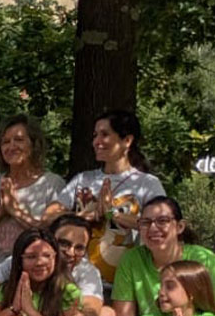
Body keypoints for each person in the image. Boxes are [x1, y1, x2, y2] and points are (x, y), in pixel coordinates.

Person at [48, 108, 164, 283]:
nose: (96, 142)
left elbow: (161, 227)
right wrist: (81, 217)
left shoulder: (147, 184)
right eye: (95, 135)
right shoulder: (82, 179)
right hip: (75, 281)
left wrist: (112, 214)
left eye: (105, 135)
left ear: (127, 140)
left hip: (124, 284)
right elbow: (48, 217)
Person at [0, 115, 65, 279]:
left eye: (19, 140)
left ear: (34, 144)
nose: (11, 146)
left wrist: (15, 210)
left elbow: (51, 233)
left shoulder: (52, 184)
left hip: (37, 280)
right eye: (5, 142)